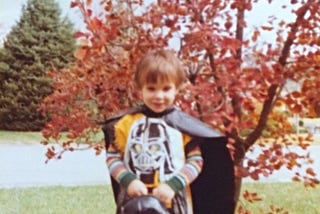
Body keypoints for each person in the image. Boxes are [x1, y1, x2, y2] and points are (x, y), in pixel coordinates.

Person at [103, 49, 235, 214]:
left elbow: (196, 161)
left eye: (166, 89)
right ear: (139, 88)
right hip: (133, 202)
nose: (159, 96)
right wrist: (128, 180)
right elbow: (112, 157)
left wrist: (173, 185)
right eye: (151, 89)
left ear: (177, 88)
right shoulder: (125, 125)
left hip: (175, 202)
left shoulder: (183, 128)